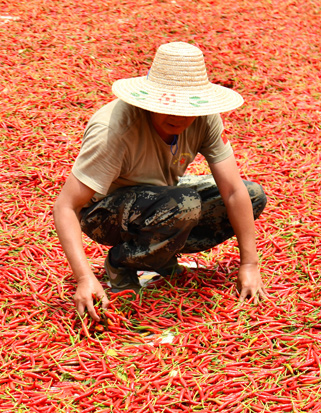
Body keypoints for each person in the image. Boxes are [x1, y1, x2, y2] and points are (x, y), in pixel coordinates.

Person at [53, 42, 268, 322]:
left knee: (252, 196)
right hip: (103, 212)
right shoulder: (114, 129)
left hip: (162, 199)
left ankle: (159, 255)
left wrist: (249, 264)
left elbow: (233, 191)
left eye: (187, 107)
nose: (179, 117)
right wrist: (84, 277)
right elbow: (65, 207)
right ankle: (122, 262)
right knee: (183, 204)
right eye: (170, 105)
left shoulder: (204, 118)